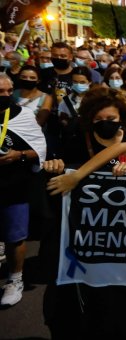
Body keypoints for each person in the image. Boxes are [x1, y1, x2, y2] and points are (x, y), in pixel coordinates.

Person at [0, 73, 47, 306]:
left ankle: (15, 279)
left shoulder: (23, 116)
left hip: (14, 185)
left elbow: (40, 149)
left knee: (15, 236)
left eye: (10, 91)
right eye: (1, 92)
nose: (6, 96)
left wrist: (18, 155)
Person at [43, 87, 126, 176]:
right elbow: (61, 168)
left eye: (111, 119)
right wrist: (55, 165)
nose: (105, 123)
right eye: (98, 119)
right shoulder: (77, 144)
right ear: (90, 119)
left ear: (121, 118)